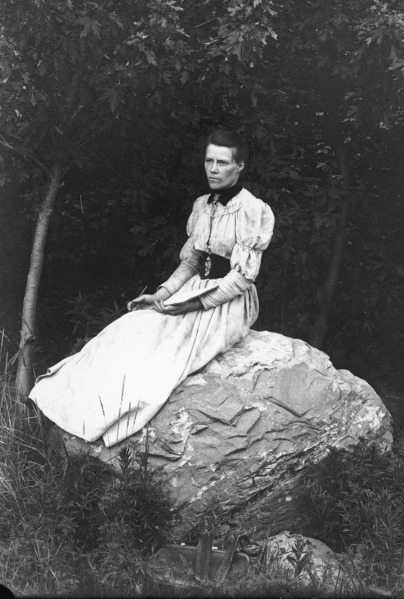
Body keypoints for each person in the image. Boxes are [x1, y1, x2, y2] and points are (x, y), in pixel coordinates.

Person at [28, 130, 275, 447]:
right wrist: (162, 294)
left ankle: (107, 418)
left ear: (239, 166)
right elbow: (191, 263)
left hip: (227, 303)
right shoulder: (203, 205)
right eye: (209, 160)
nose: (213, 169)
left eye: (223, 163)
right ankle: (63, 404)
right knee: (128, 328)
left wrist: (190, 305)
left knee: (160, 359)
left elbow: (241, 279)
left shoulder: (252, 211)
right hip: (192, 291)